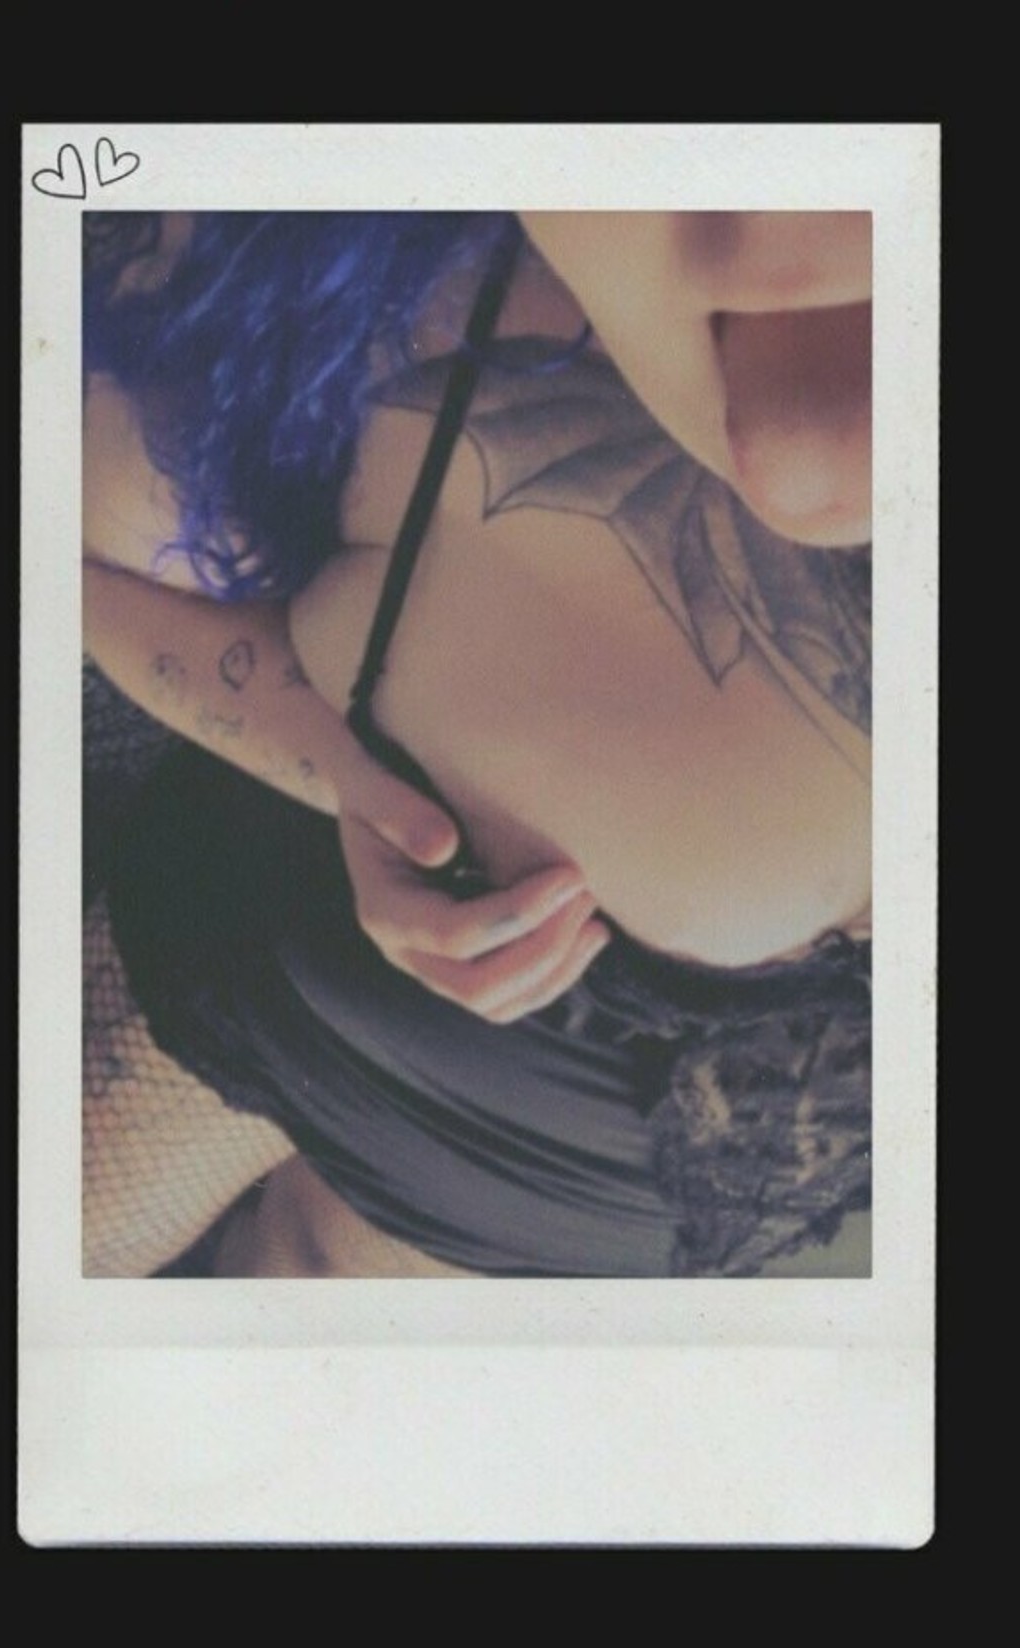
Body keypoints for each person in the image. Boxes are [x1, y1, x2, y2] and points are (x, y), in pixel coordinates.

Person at [84, 208, 871, 1278]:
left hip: (673, 1176)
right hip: (380, 1017)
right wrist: (349, 770)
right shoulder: (349, 345)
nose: (813, 465)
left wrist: (358, 771)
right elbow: (83, 571)